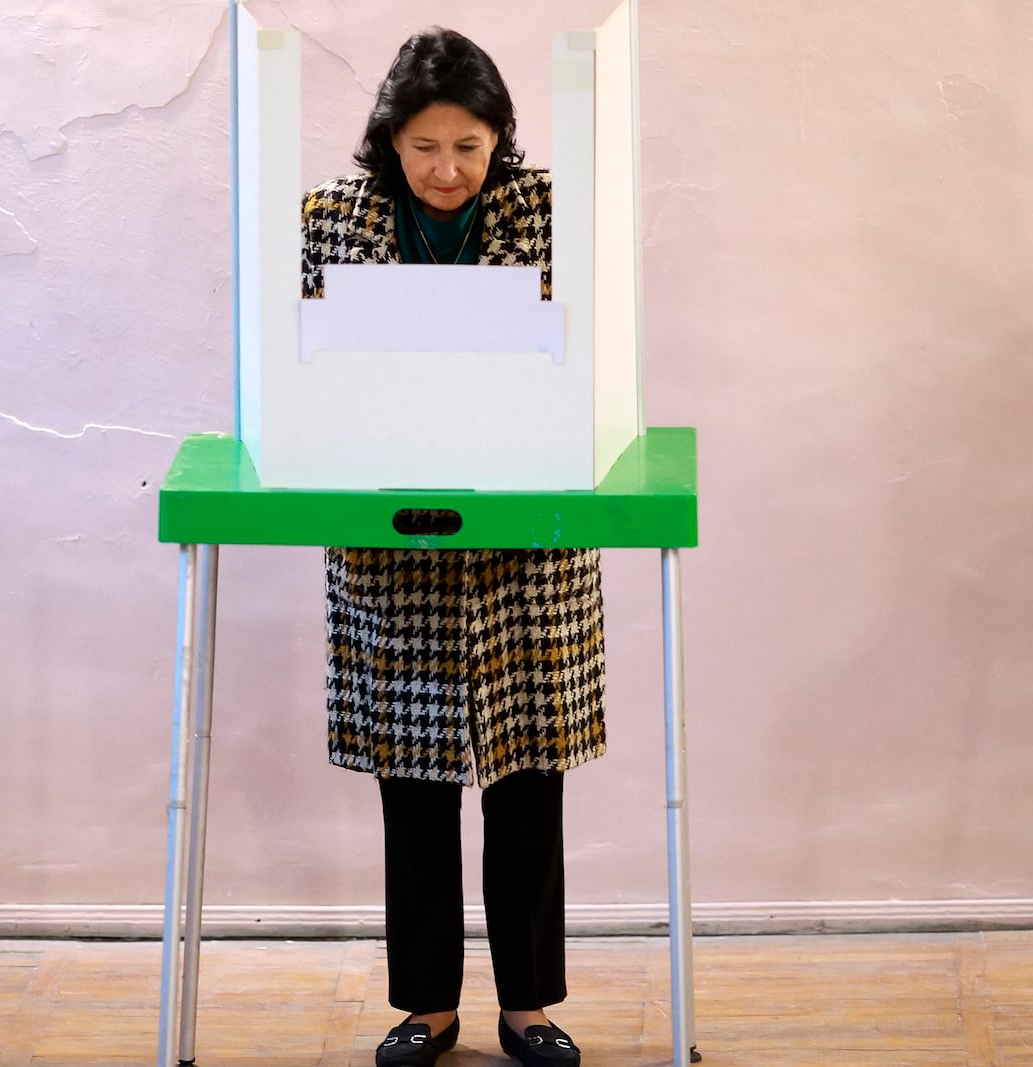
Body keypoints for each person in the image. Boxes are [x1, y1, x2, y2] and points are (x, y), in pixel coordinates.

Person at [302, 29, 604, 1067]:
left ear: (499, 141)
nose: (446, 170)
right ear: (387, 141)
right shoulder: (329, 221)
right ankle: (426, 1003)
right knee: (414, 788)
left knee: (529, 780)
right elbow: (302, 370)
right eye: (424, 146)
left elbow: (591, 359)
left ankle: (529, 1004)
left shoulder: (556, 213)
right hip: (395, 543)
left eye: (468, 146)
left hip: (526, 542)